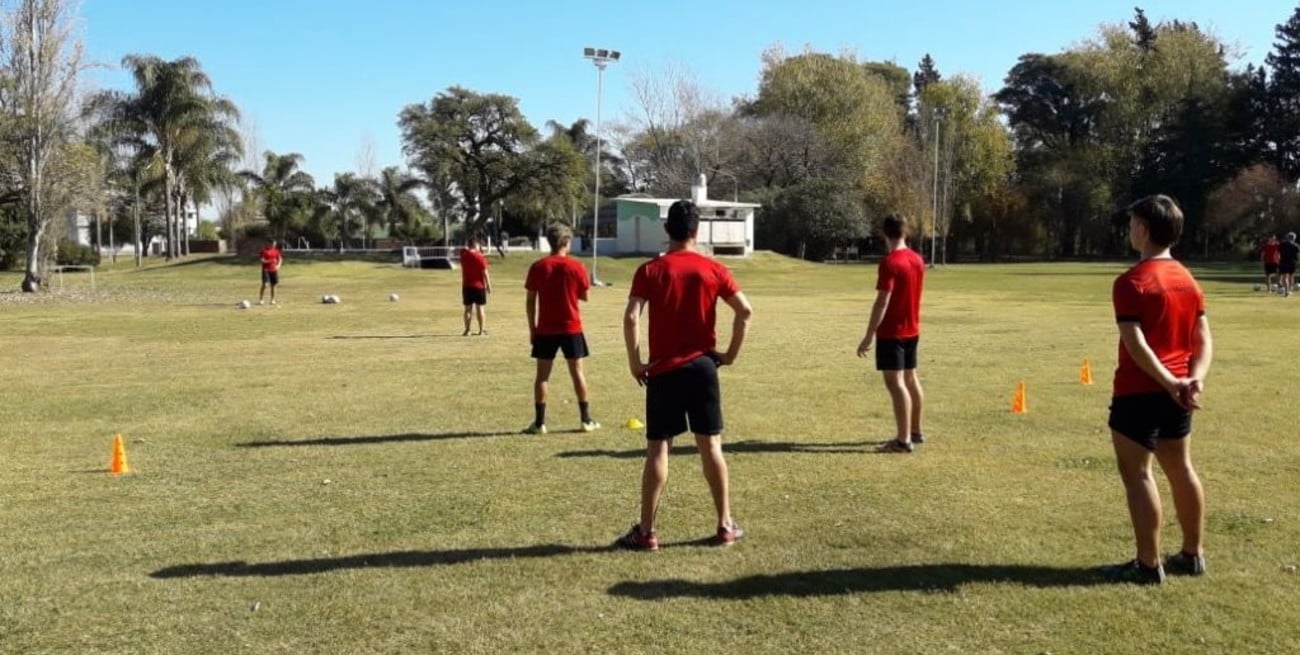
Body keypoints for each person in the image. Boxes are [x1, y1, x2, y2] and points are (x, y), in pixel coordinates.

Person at [617, 199, 753, 551]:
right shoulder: (713, 269)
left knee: (658, 450)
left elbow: (632, 317)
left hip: (664, 369)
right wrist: (730, 354)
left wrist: (636, 362)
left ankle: (646, 532)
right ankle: (725, 525)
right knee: (711, 447)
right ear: (696, 230)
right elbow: (745, 311)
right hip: (703, 368)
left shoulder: (650, 271)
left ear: (667, 230)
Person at [1103, 194, 1213, 585]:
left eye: (1133, 223)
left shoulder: (1131, 283)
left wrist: (1170, 381)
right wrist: (1193, 378)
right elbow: (1203, 338)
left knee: (1138, 475)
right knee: (1181, 468)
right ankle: (1192, 553)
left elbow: (1136, 345)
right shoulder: (1188, 279)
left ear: (1144, 230)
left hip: (1140, 391)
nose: (1129, 229)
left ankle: (1148, 565)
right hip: (1180, 392)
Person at [856, 213, 926, 453]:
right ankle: (915, 431)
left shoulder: (890, 263)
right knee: (910, 379)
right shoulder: (917, 260)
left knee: (895, 383)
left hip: (892, 333)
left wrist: (868, 335)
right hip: (912, 330)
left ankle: (903, 440)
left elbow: (881, 302)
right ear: (905, 232)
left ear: (884, 233)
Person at [523, 224, 599, 435]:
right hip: (571, 327)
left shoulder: (538, 267)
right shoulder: (577, 267)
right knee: (577, 374)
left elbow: (530, 301)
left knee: (542, 376)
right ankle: (586, 419)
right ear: (567, 242)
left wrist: (532, 329)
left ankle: (539, 423)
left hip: (545, 329)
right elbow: (585, 296)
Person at [459, 235, 492, 336]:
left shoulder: (464, 255)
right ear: (476, 245)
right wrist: (489, 285)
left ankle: (467, 330)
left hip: (467, 286)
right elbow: (485, 273)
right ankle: (481, 330)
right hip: (479, 286)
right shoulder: (480, 257)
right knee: (480, 308)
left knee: (467, 309)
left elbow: (463, 249)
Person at [258, 239, 282, 305]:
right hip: (266, 270)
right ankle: (261, 299)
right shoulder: (263, 251)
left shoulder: (276, 251)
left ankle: (272, 300)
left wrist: (278, 266)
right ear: (269, 243)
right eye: (273, 244)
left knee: (273, 285)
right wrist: (270, 261)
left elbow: (280, 259)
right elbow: (262, 261)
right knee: (265, 285)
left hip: (274, 270)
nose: (274, 245)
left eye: (275, 244)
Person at [1279, 232, 1299, 298]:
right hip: (1292, 263)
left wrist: (1277, 260)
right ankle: (1290, 290)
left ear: (1287, 237)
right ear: (1294, 238)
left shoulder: (1282, 244)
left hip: (1283, 262)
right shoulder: (1296, 246)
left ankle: (1286, 291)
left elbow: (1277, 254)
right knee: (1291, 276)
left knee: (1285, 277)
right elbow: (1298, 256)